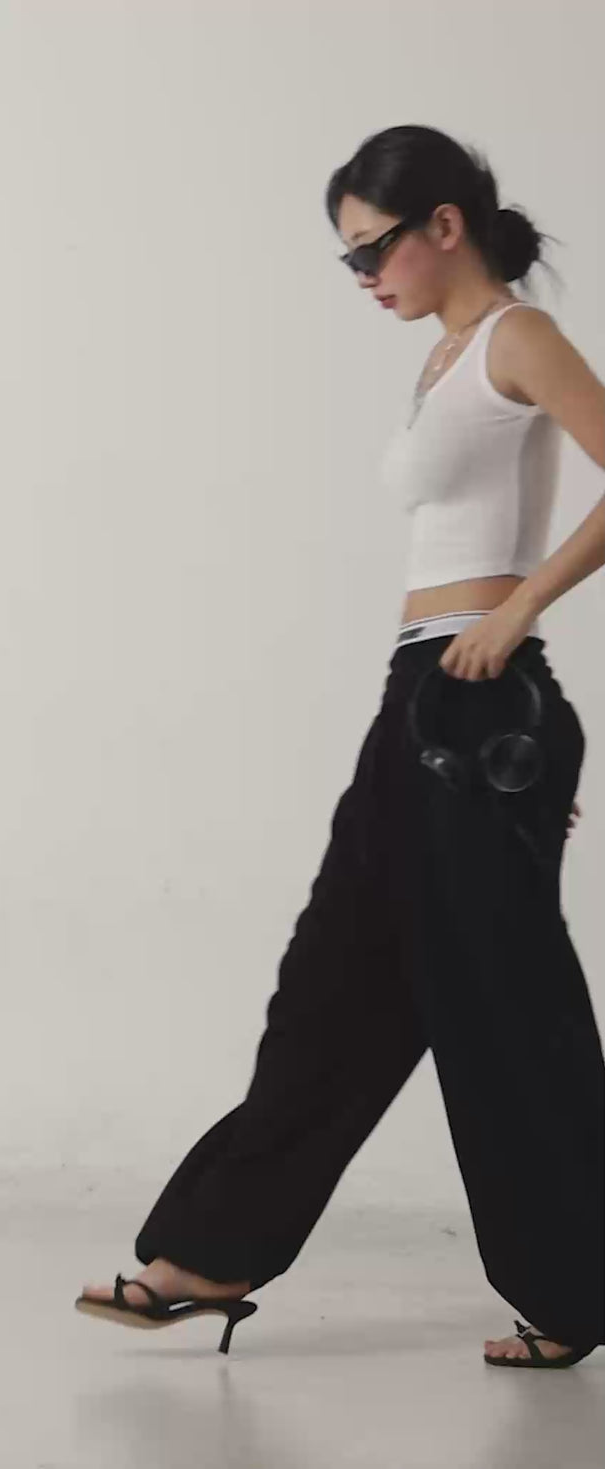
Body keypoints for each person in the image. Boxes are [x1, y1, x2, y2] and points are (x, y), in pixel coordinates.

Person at [75, 125, 605, 1366]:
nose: (364, 275)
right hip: (421, 698)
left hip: (485, 696)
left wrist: (519, 615)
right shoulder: (443, 356)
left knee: (504, 1003)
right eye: (348, 258)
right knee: (335, 978)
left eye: (375, 249)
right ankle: (213, 1249)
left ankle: (578, 1286)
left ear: (445, 226)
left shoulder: (517, 336)